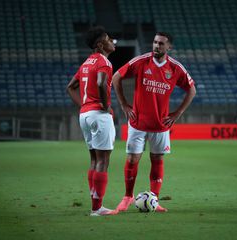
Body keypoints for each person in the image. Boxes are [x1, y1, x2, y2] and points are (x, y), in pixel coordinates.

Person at [113, 32, 196, 212]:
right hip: (138, 122)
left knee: (157, 160)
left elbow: (192, 89)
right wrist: (124, 104)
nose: (156, 46)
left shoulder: (175, 68)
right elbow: (116, 77)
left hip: (161, 124)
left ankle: (154, 200)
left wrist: (177, 113)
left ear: (169, 47)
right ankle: (127, 197)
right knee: (133, 159)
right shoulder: (141, 61)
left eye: (161, 43)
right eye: (155, 42)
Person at [66, 26, 117, 216]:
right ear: (100, 44)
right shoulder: (104, 61)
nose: (112, 41)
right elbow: (101, 83)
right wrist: (104, 106)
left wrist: (84, 105)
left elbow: (70, 87)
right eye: (108, 38)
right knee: (103, 161)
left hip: (85, 115)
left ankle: (95, 203)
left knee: (94, 160)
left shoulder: (86, 63)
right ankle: (97, 208)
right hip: (99, 115)